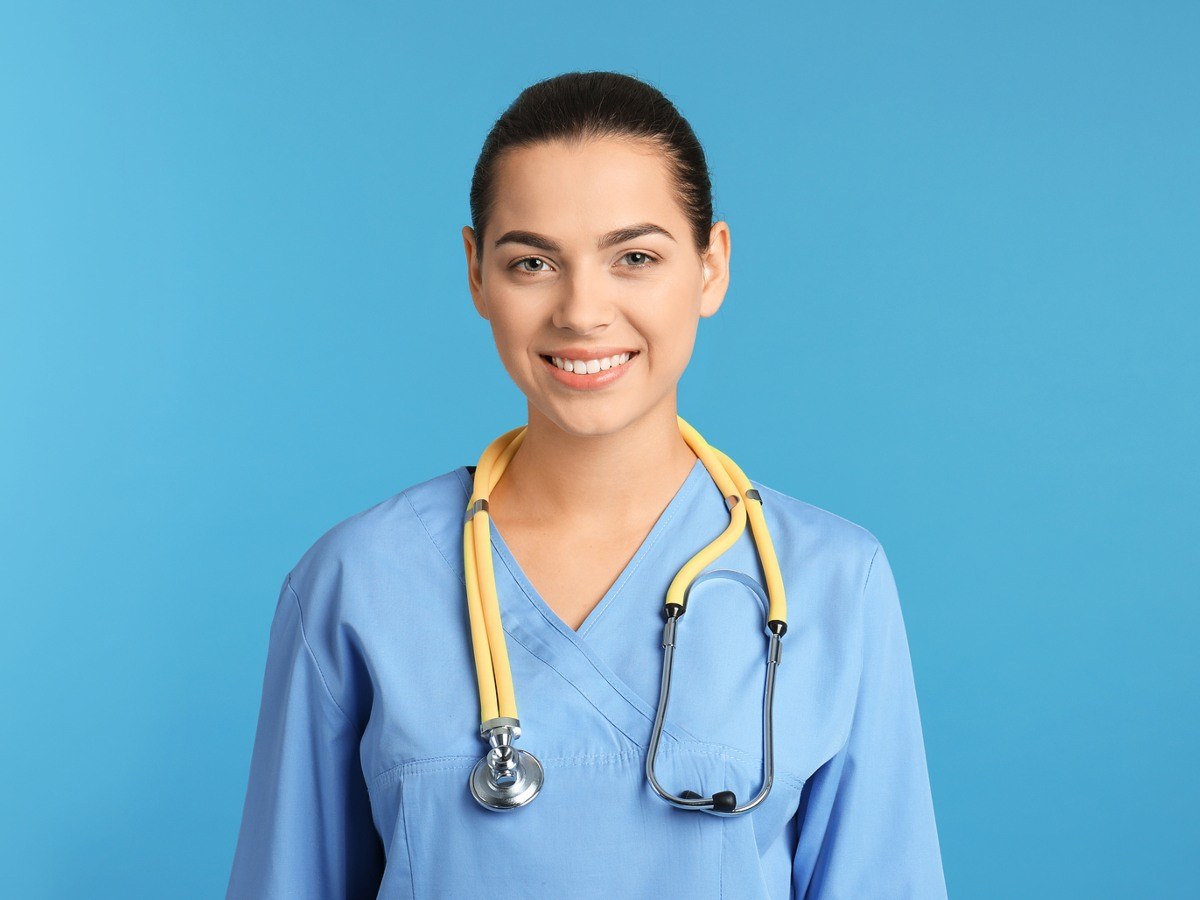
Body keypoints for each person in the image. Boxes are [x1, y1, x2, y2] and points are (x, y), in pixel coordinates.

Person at [226, 70, 948, 899]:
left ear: (711, 267)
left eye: (634, 257)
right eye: (533, 262)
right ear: (475, 273)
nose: (582, 310)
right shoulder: (357, 584)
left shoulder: (832, 583)